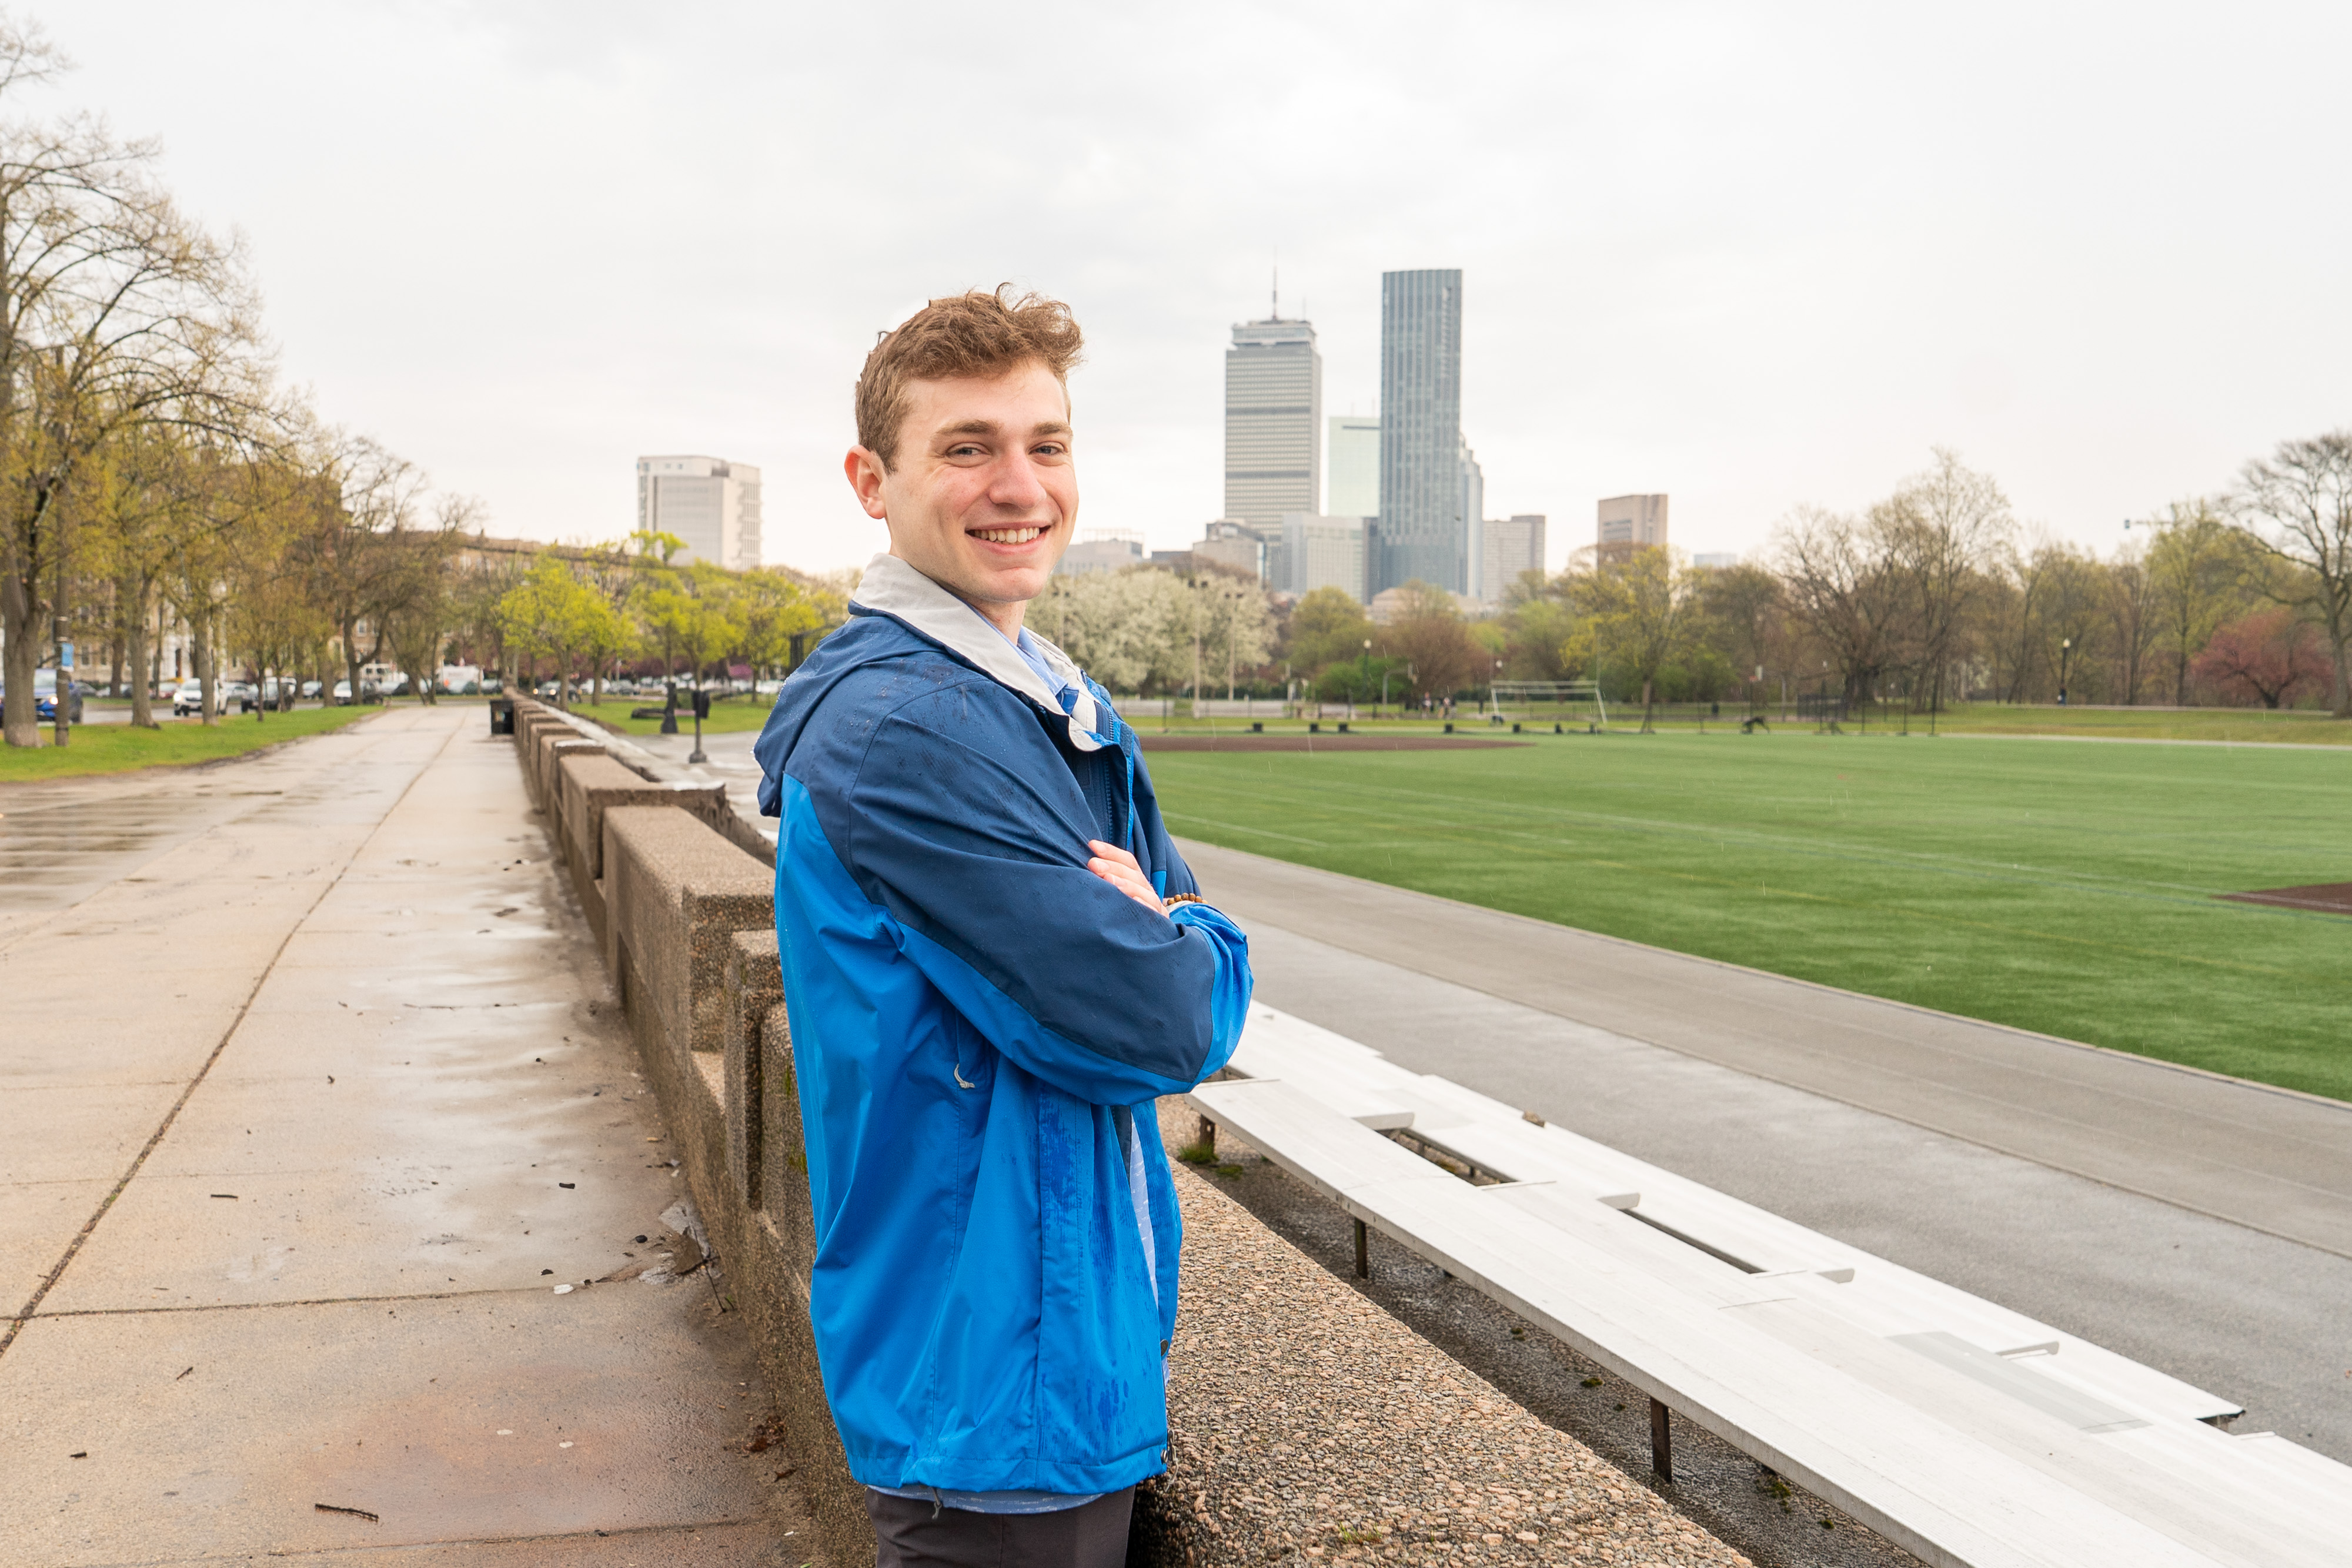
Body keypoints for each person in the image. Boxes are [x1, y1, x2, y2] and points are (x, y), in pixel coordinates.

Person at [752, 286, 1252, 1568]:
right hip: (989, 1371)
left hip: (1026, 1350)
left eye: (1046, 443)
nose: (1017, 484)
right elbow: (1164, 1014)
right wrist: (1196, 929)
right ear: (874, 480)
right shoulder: (914, 729)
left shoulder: (1020, 697)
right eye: (966, 446)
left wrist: (1166, 920)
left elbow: (1150, 942)